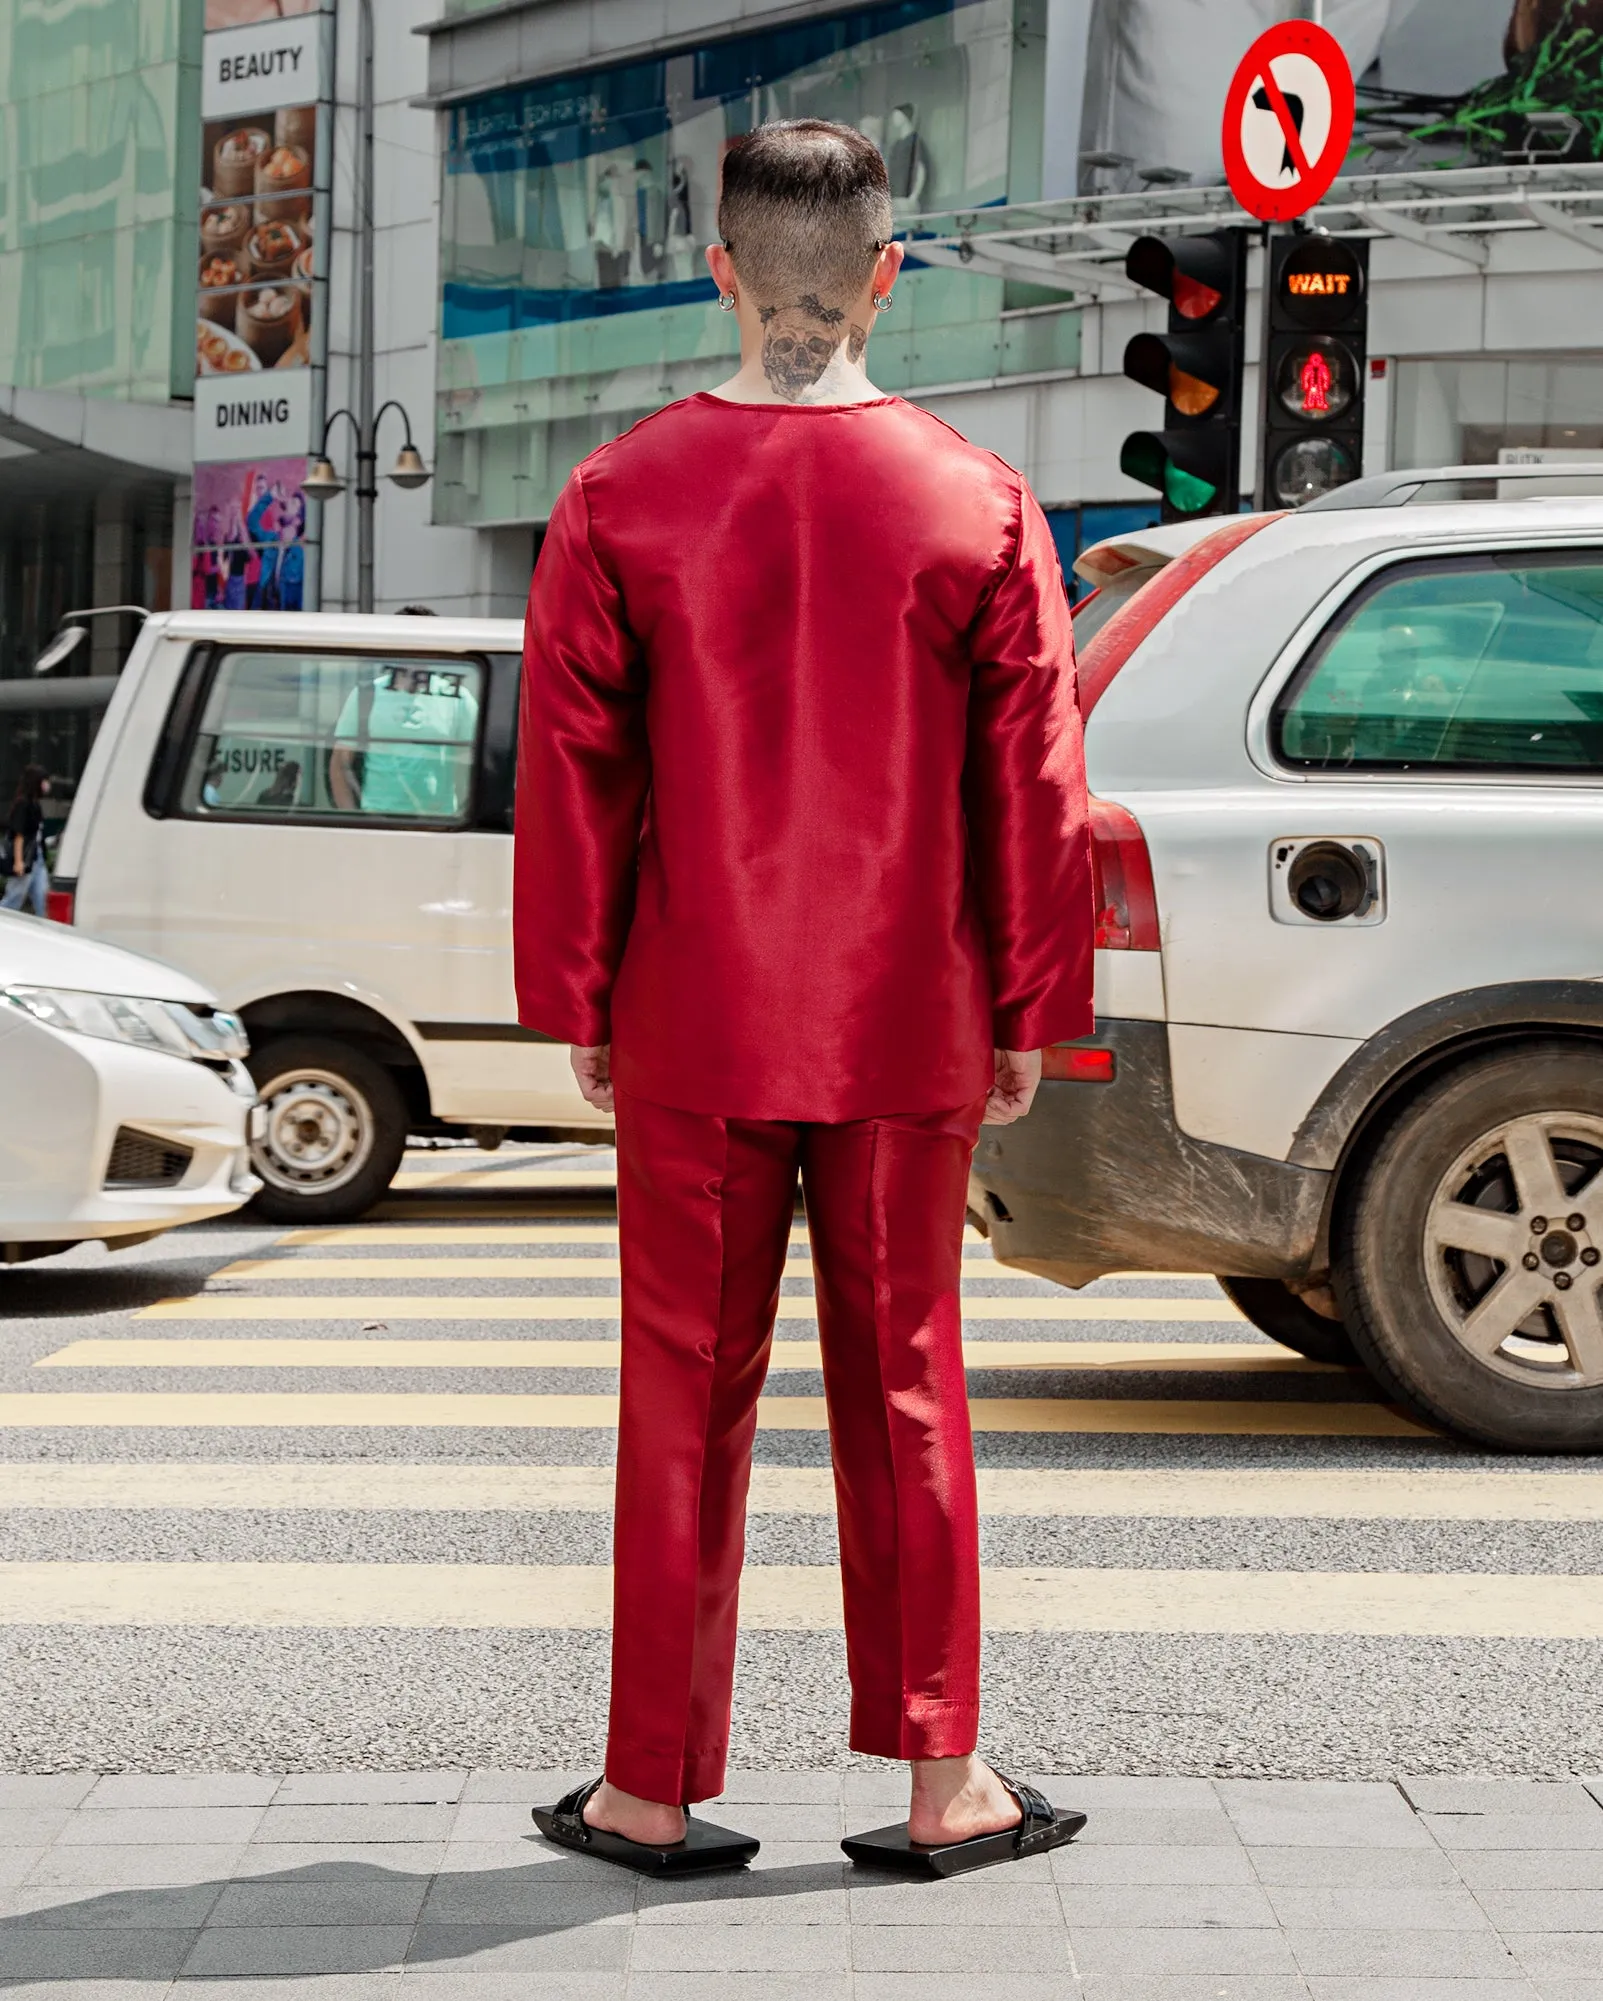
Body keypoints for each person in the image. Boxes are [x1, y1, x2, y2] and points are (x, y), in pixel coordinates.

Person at [515, 119, 1094, 1874]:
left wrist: (582, 1001)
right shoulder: (975, 502)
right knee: (906, 1380)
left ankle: (648, 1787)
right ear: (881, 277)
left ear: (720, 271)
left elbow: (572, 772)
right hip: (905, 1018)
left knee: (676, 1392)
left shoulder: (618, 498)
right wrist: (1026, 1009)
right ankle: (939, 1786)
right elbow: (1035, 786)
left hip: (694, 1011)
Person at [3, 765, 51, 916]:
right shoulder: (23, 804)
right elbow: (19, 835)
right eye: (44, 781)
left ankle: (46, 932)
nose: (47, 785)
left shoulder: (35, 804)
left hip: (38, 859)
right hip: (25, 859)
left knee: (43, 899)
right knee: (13, 899)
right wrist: (18, 861)